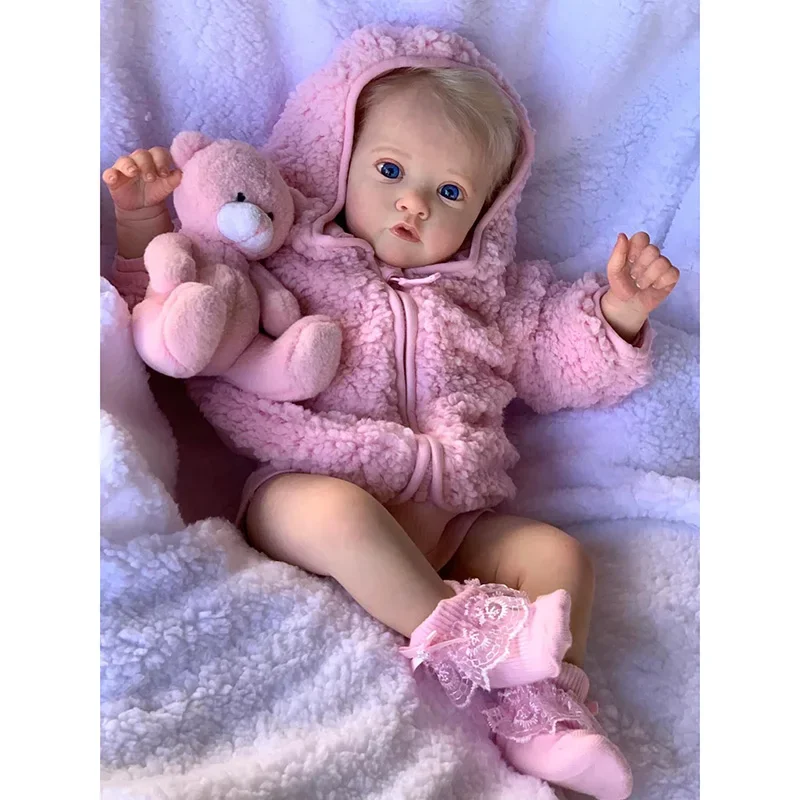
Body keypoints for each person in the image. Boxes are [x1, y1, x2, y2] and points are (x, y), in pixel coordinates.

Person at [104, 27, 679, 800]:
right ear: (336, 159)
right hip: (303, 491)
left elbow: (557, 355)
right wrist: (143, 226)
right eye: (389, 170)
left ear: (486, 214)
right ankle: (467, 638)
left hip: (449, 524)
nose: (414, 202)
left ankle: (540, 713)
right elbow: (181, 308)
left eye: (450, 193)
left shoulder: (490, 297)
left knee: (556, 556)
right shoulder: (289, 259)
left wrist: (619, 312)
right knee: (337, 515)